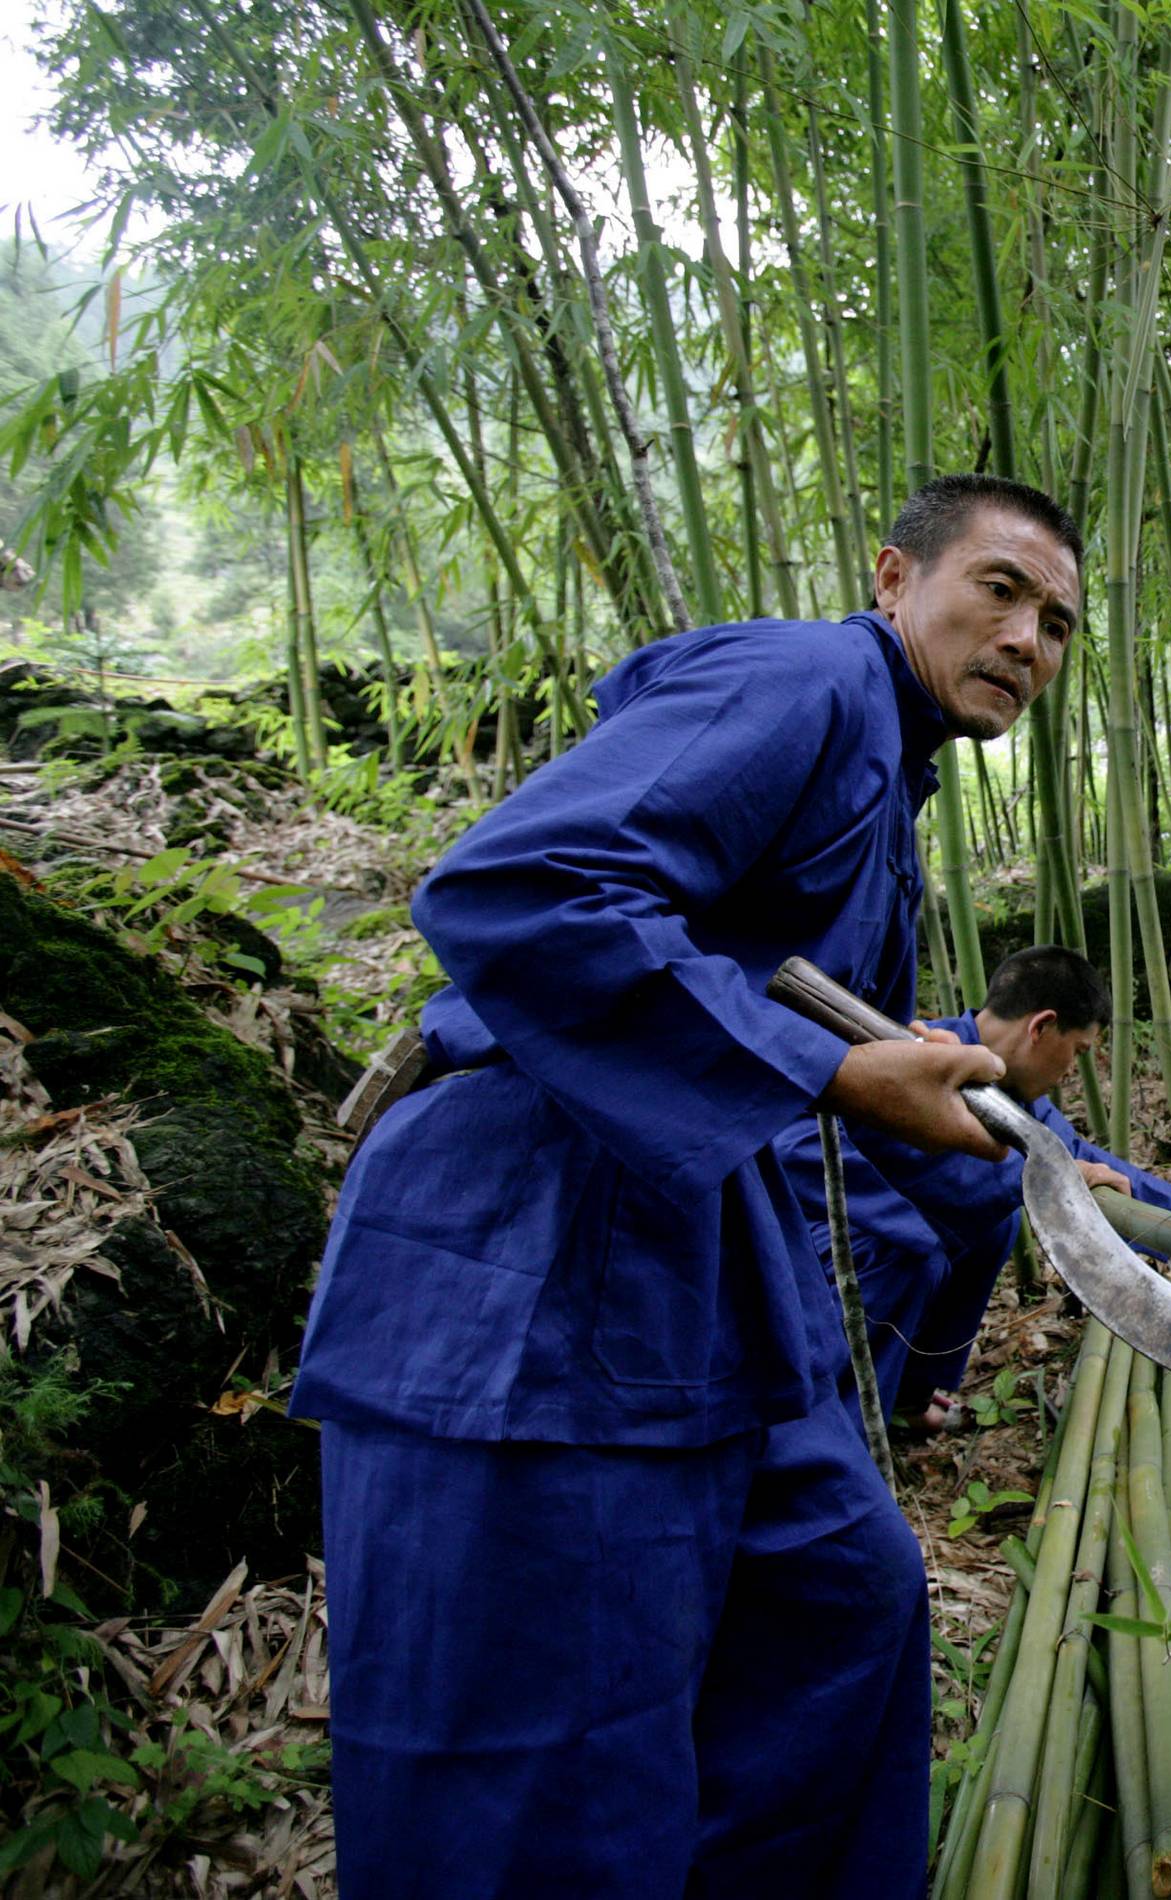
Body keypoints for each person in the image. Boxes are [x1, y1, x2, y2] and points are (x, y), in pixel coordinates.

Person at [290, 473, 1083, 1898]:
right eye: (1003, 590)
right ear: (895, 577)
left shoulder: (882, 778)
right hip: (527, 1254)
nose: (1032, 639)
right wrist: (839, 1074)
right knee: (538, 1772)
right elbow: (520, 891)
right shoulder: (805, 680)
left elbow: (817, 1035)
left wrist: (1034, 1147)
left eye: (1063, 624)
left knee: (844, 1604)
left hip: (696, 1272)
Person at [778, 944, 1171, 1429]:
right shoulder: (917, 1054)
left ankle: (906, 1398)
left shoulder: (1004, 1084)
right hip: (799, 1238)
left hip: (875, 1235)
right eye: (1076, 1052)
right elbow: (811, 1156)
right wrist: (1039, 1177)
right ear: (1040, 1027)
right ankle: (837, 1428)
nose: (1069, 1074)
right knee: (913, 1251)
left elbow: (1072, 1152)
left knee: (990, 1226)